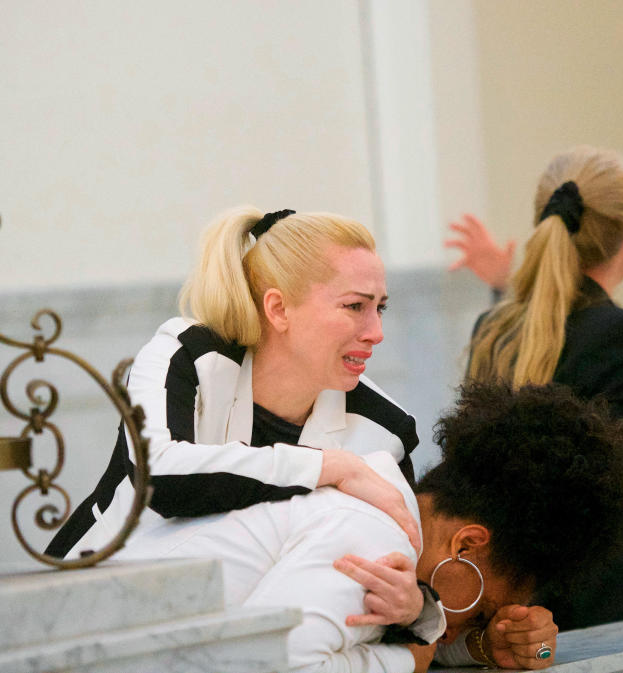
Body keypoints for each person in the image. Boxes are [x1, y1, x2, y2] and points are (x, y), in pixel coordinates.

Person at [46, 206, 435, 631]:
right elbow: (158, 477)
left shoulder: (386, 428)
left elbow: (401, 562)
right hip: (79, 611)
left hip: (226, 637)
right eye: (355, 306)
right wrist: (331, 468)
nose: (376, 331)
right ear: (279, 309)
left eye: (381, 307)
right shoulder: (187, 354)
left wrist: (415, 609)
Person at [113, 381, 623, 672]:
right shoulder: (373, 536)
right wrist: (407, 658)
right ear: (467, 543)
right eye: (482, 609)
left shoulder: (389, 516)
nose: (464, 623)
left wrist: (487, 648)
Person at [457, 145, 623, 629]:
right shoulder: (621, 336)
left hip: (507, 614)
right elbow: (615, 511)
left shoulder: (495, 330)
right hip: (608, 623)